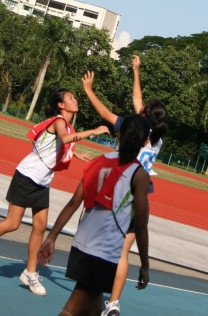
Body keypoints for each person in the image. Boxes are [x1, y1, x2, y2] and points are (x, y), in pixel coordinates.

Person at [0, 88, 109, 296]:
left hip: (42, 182)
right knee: (12, 223)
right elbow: (63, 139)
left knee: (40, 225)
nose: (75, 100)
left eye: (75, 98)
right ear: (61, 105)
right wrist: (93, 131)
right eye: (71, 98)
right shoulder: (59, 122)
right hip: (27, 177)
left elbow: (56, 148)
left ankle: (30, 271)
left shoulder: (67, 126)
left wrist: (76, 155)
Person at [38, 114, 151, 316]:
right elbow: (141, 225)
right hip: (103, 252)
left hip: (82, 243)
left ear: (119, 134)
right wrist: (145, 265)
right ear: (145, 142)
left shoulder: (98, 162)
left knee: (92, 307)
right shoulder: (139, 174)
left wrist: (52, 236)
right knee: (71, 310)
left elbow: (74, 202)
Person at [82, 55, 168, 316]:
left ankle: (92, 289)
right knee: (123, 252)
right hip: (141, 197)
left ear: (144, 116)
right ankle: (114, 303)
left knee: (101, 244)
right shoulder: (157, 139)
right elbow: (139, 102)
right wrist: (136, 71)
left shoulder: (132, 129)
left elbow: (106, 114)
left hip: (120, 193)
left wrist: (88, 90)